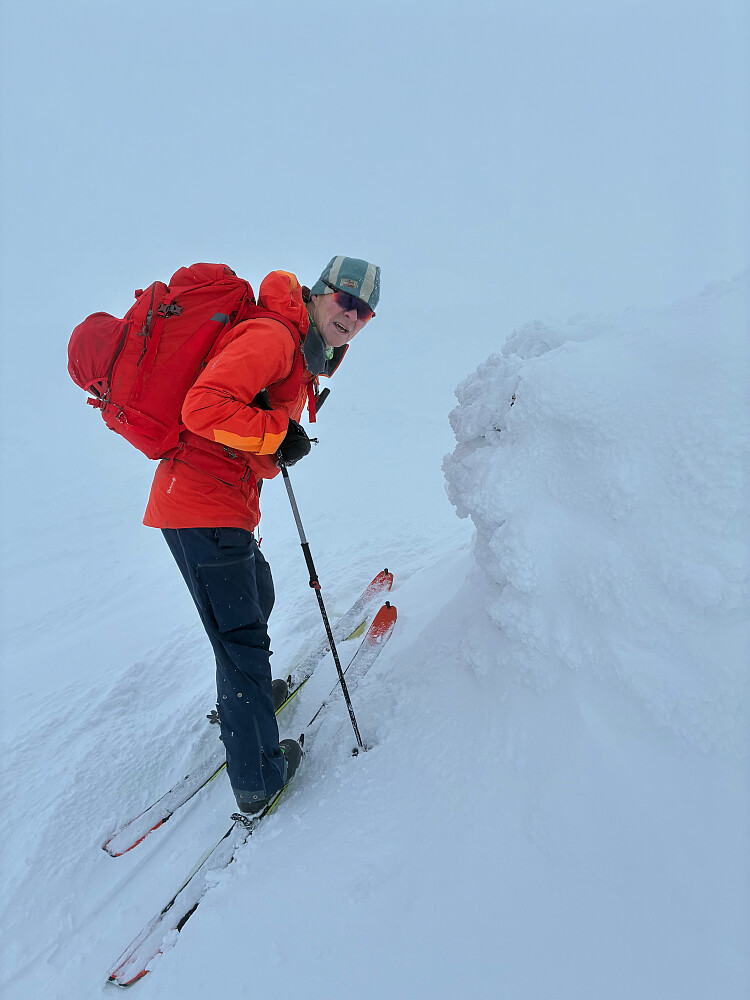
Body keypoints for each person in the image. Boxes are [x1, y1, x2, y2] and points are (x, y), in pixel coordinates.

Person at [142, 256, 381, 814]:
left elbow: (242, 424)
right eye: (346, 299)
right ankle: (258, 781)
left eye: (365, 311)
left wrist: (275, 438)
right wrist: (277, 433)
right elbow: (201, 409)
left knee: (259, 594)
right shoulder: (275, 337)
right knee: (241, 643)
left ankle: (241, 702)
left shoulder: (299, 351)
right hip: (201, 508)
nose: (353, 315)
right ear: (320, 294)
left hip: (219, 506)